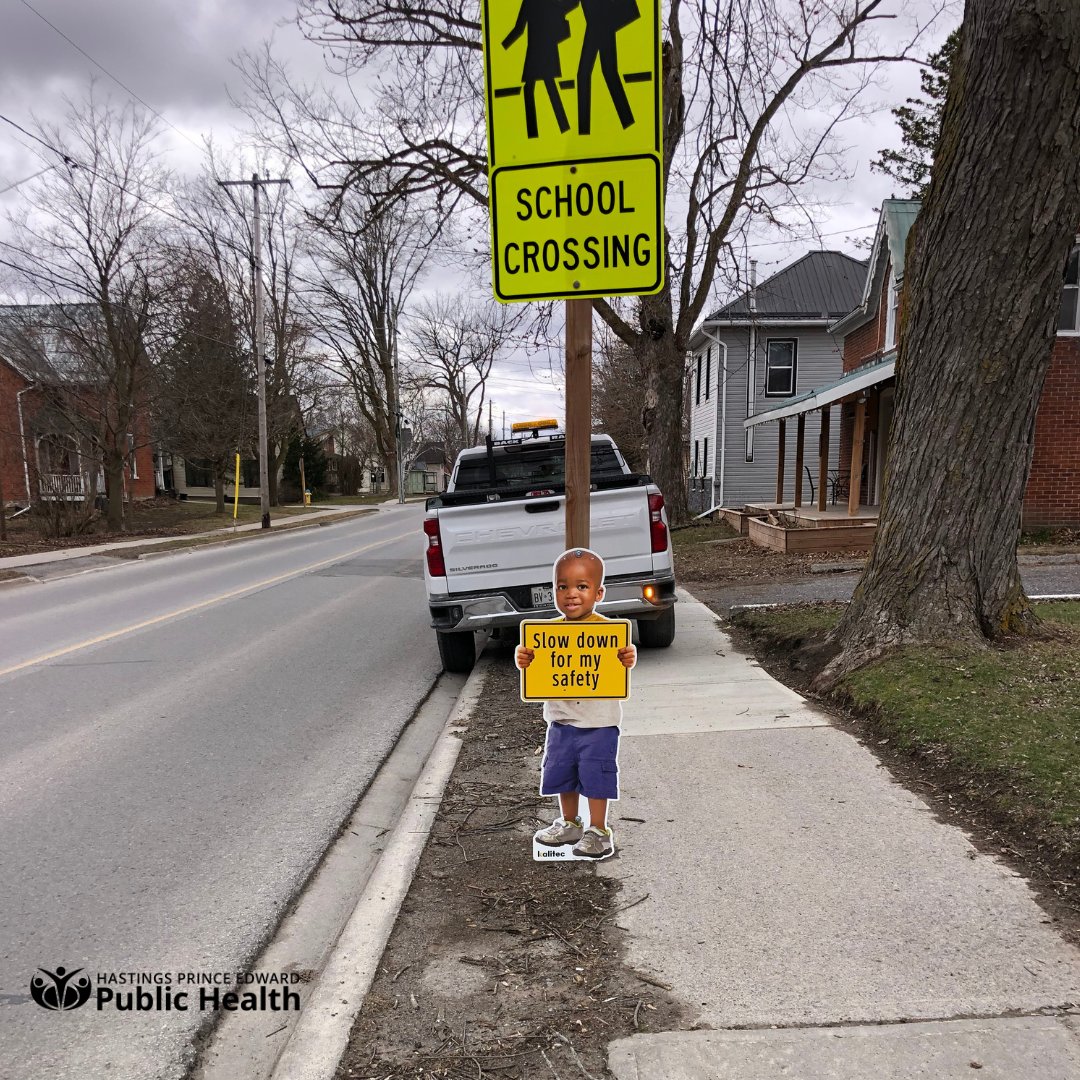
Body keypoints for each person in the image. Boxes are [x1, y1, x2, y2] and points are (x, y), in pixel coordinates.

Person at [516, 548, 636, 859]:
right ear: (554, 589)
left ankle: (598, 831)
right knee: (561, 774)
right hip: (561, 721)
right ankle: (570, 824)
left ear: (599, 593)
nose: (571, 594)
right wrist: (525, 658)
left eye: (581, 587)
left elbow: (622, 659)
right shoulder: (547, 634)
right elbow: (535, 666)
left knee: (596, 778)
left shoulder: (608, 632)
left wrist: (628, 657)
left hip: (599, 724)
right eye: (562, 586)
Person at [502, 0, 579, 139]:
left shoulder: (531, 2)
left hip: (538, 50)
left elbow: (519, 29)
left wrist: (503, 47)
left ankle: (544, 130)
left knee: (536, 87)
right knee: (542, 86)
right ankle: (558, 126)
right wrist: (502, 48)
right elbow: (571, 4)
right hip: (542, 50)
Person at [576, 0, 639, 135]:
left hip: (599, 21)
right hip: (599, 21)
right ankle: (627, 121)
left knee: (585, 74)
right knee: (608, 72)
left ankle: (583, 131)